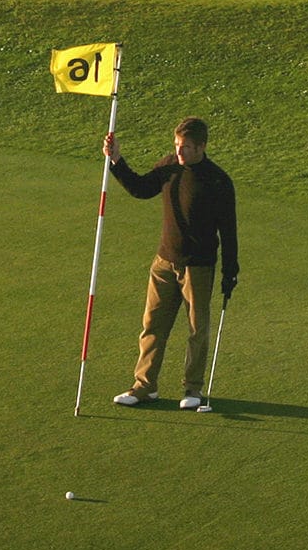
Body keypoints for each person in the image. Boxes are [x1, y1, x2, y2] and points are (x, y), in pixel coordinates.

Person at [102, 117, 239, 410]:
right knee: (152, 325)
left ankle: (193, 389)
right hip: (164, 261)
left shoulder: (218, 181)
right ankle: (144, 386)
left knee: (196, 329)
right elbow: (140, 188)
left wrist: (230, 271)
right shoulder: (168, 167)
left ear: (201, 146)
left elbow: (228, 231)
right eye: (177, 145)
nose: (180, 152)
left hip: (198, 267)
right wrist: (116, 161)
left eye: (186, 147)